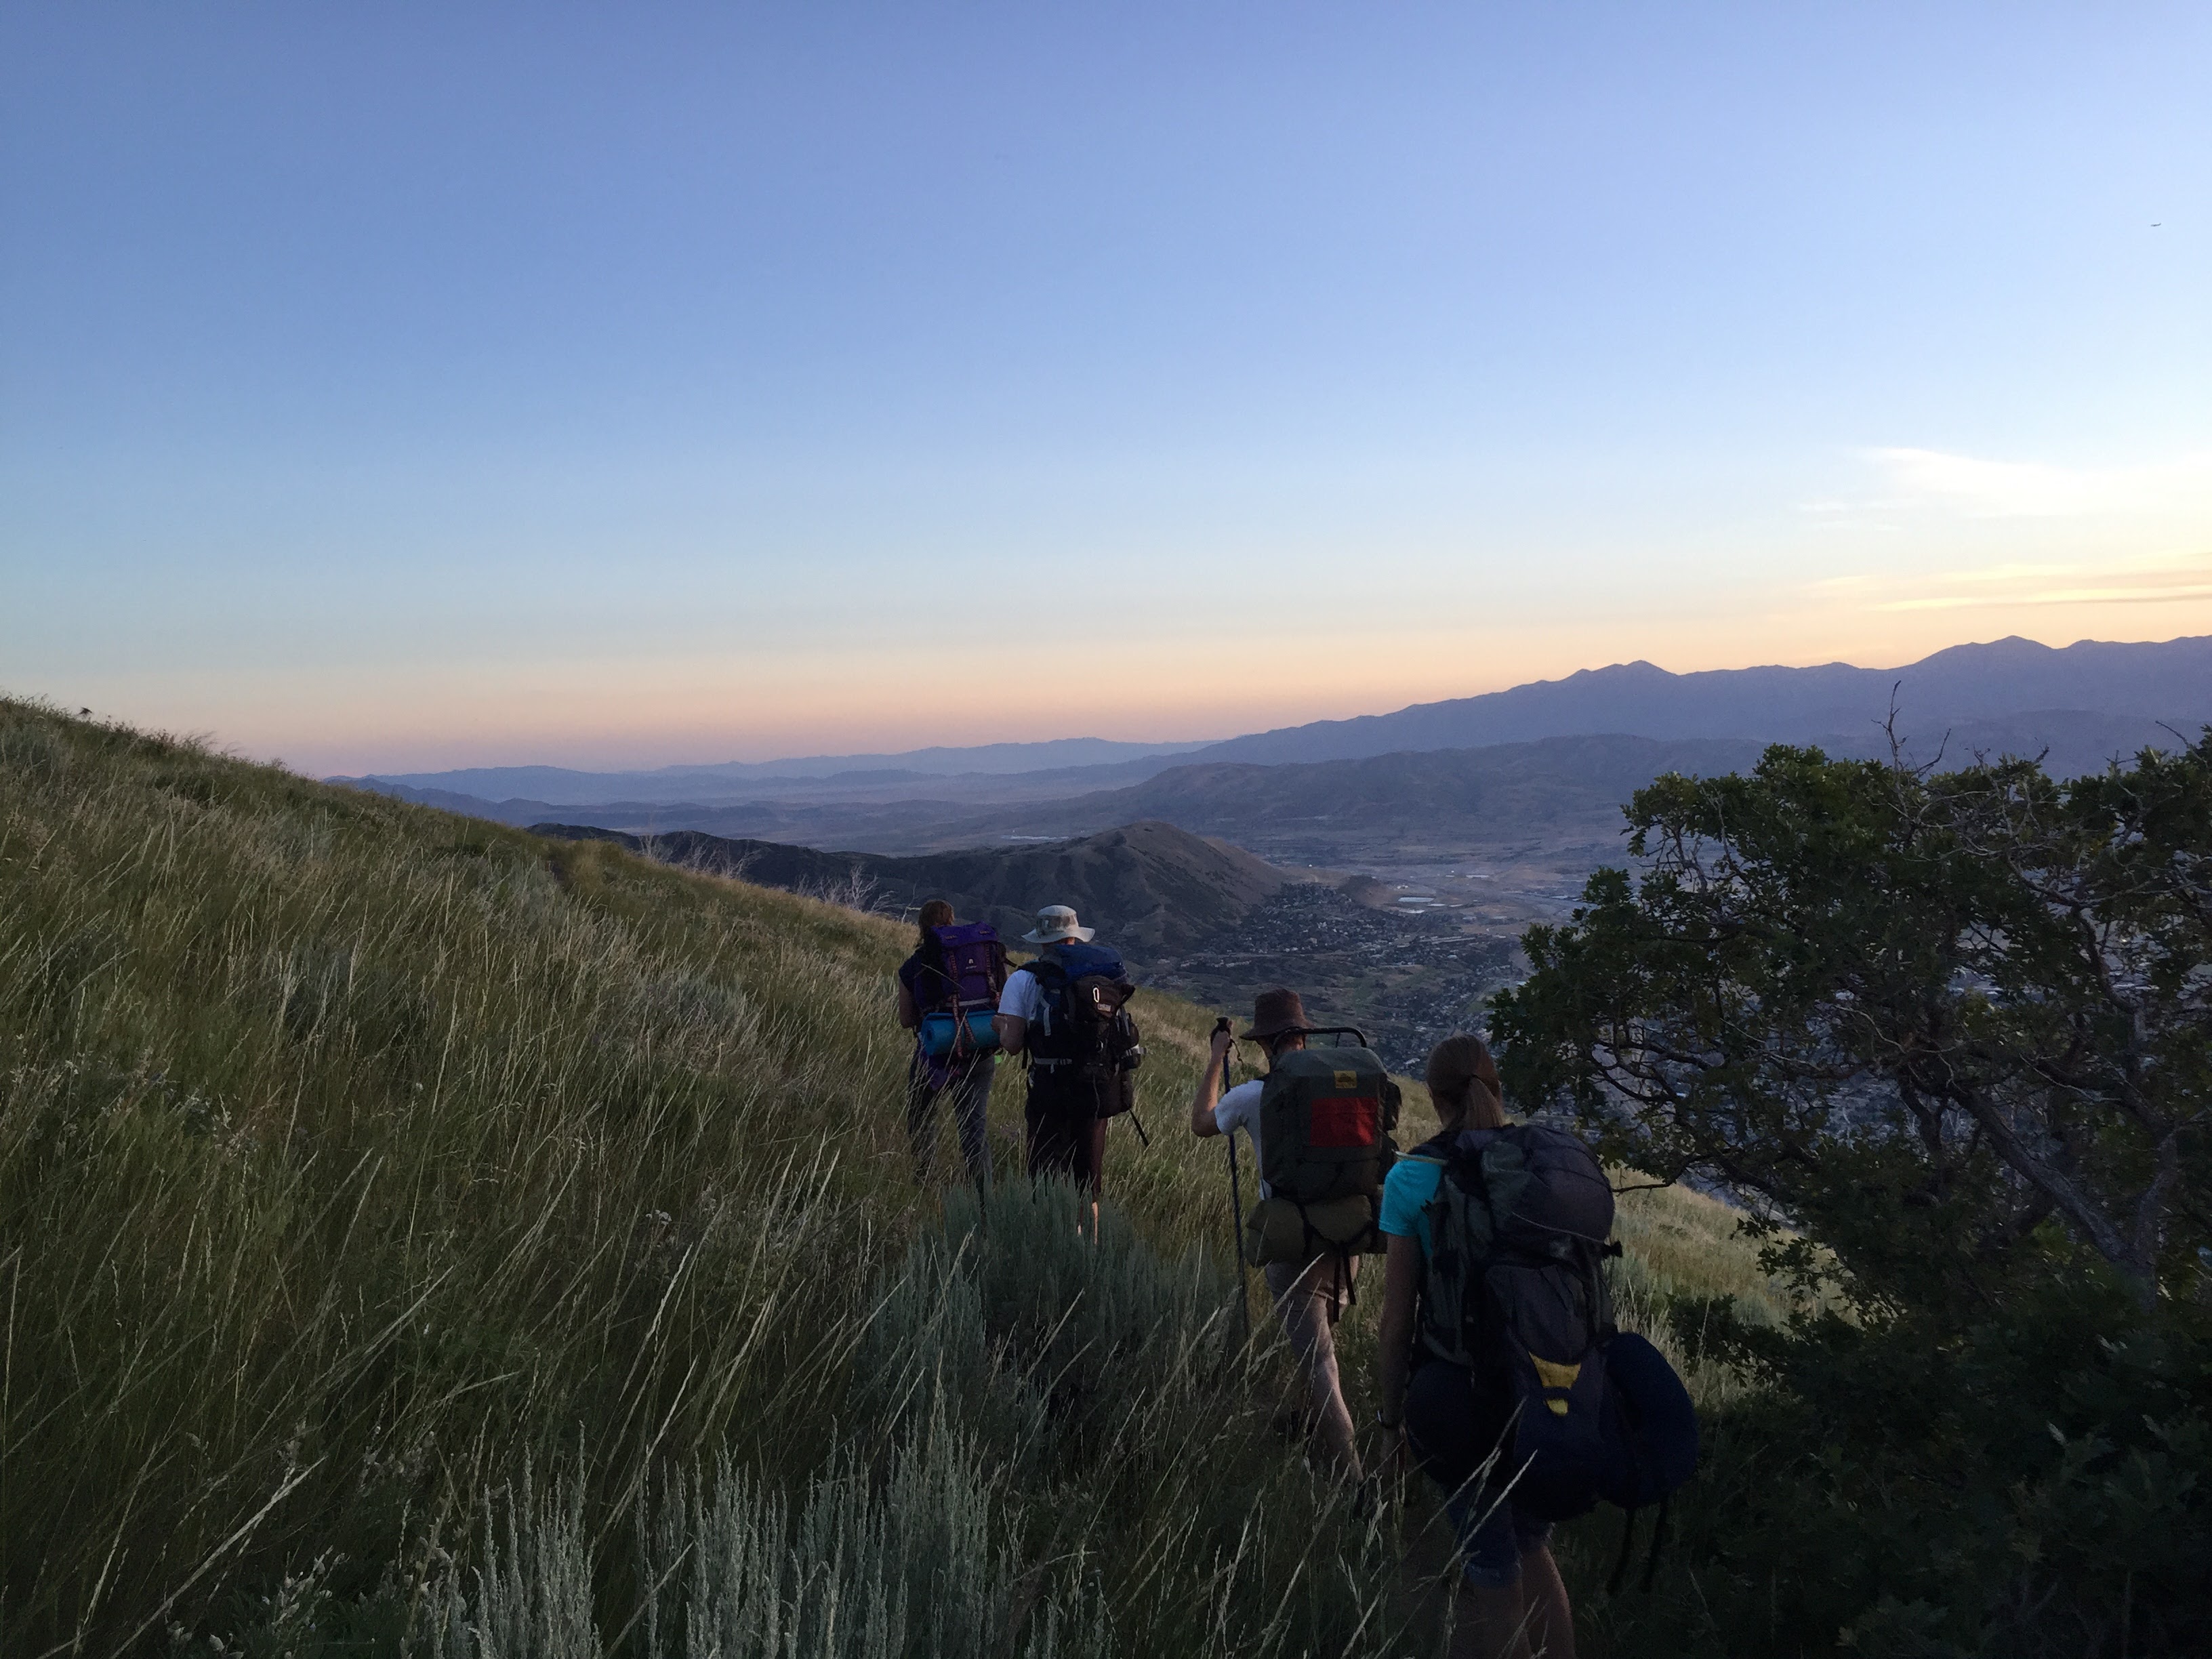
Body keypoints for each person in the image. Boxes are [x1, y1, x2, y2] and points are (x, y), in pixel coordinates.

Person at [1374, 1033, 1578, 1659]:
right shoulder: (1542, 1164)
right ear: (1495, 1088)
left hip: (1464, 1403)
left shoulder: (1412, 1177)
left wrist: (1389, 1423)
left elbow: (1397, 1321)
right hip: (1553, 1398)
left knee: (1492, 1577)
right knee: (1529, 1545)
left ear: (1433, 1099)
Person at [1189, 986, 1364, 1483]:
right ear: (1304, 1038)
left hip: (1293, 1242)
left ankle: (1355, 1483)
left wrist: (1216, 1058)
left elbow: (1202, 1123)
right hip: (1348, 1235)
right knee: (1322, 1349)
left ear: (1265, 1044)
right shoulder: (1339, 1086)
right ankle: (1308, 1431)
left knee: (1319, 1365)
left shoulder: (1253, 1096)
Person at [992, 904, 1131, 1230]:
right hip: (1099, 1087)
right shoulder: (1106, 975)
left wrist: (999, 1025)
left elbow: (1011, 1046)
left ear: (1042, 940)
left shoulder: (1025, 978)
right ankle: (1089, 1246)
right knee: (1089, 1182)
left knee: (1045, 1177)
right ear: (1074, 937)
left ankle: (1050, 1243)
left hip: (1050, 1088)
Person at [895, 898, 996, 1189]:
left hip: (935, 1054)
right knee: (973, 1128)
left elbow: (905, 1020)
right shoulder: (980, 956)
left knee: (920, 1113)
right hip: (980, 1049)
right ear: (952, 921)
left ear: (921, 926)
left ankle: (926, 1179)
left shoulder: (914, 965)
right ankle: (983, 1198)